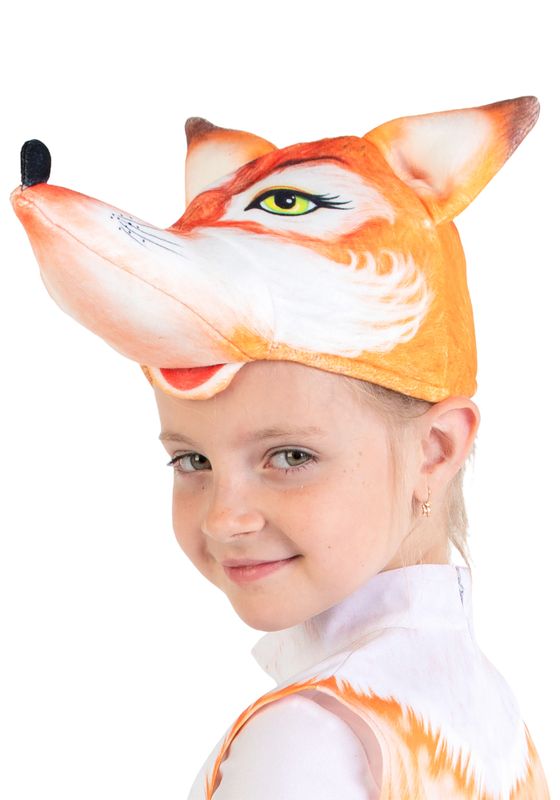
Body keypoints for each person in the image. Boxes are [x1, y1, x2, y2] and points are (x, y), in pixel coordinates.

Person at [11, 96, 550, 798]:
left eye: (290, 456)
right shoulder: (491, 714)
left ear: (436, 451)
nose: (223, 518)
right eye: (192, 460)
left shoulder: (307, 740)